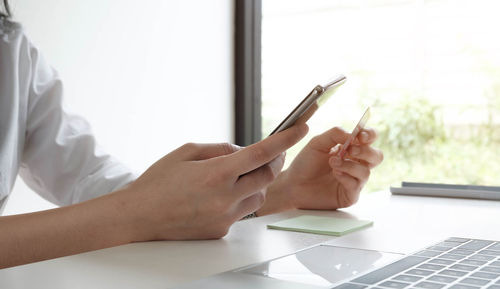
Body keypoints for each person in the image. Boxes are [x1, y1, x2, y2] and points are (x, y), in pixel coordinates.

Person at [0, 1, 383, 269]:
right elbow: (128, 209)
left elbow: (93, 183)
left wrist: (275, 192)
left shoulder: (12, 51)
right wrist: (138, 214)